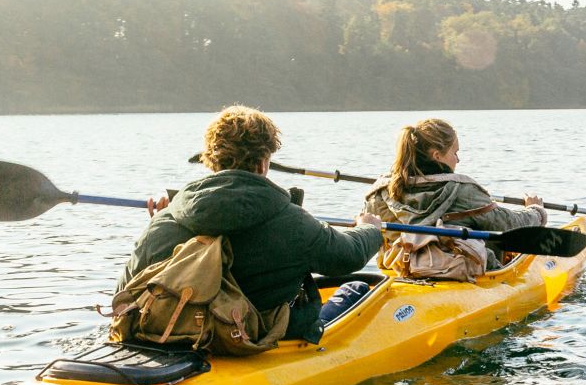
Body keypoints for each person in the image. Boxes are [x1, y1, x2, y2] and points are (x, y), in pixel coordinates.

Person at [122, 105, 384, 319]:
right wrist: (370, 228)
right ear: (261, 163)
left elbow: (124, 291)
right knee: (356, 288)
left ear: (211, 161)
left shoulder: (167, 217)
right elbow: (347, 257)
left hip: (178, 331)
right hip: (252, 336)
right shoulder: (293, 222)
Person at [364, 118, 546, 269]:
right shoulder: (463, 190)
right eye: (455, 152)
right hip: (458, 271)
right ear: (437, 155)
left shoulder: (378, 192)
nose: (457, 159)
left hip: (402, 268)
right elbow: (508, 224)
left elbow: (368, 232)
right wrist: (536, 211)